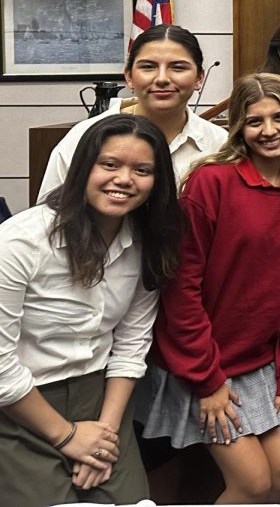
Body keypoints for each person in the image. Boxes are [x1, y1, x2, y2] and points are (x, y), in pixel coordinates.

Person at [139, 74, 280, 503]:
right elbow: (181, 289)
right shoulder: (211, 182)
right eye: (254, 121)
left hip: (263, 365)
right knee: (253, 484)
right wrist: (207, 381)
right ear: (238, 127)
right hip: (204, 363)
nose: (269, 131)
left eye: (279, 117)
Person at [0, 114, 180, 505]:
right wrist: (67, 436)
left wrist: (104, 436)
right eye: (109, 164)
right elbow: (0, 368)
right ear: (83, 168)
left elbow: (132, 347)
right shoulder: (19, 243)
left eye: (142, 170)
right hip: (20, 407)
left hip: (101, 399)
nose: (124, 179)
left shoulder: (146, 243)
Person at [39, 24, 227, 201]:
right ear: (129, 77)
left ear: (199, 78)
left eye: (178, 67)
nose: (162, 78)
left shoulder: (221, 144)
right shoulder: (84, 137)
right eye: (148, 67)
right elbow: (47, 219)